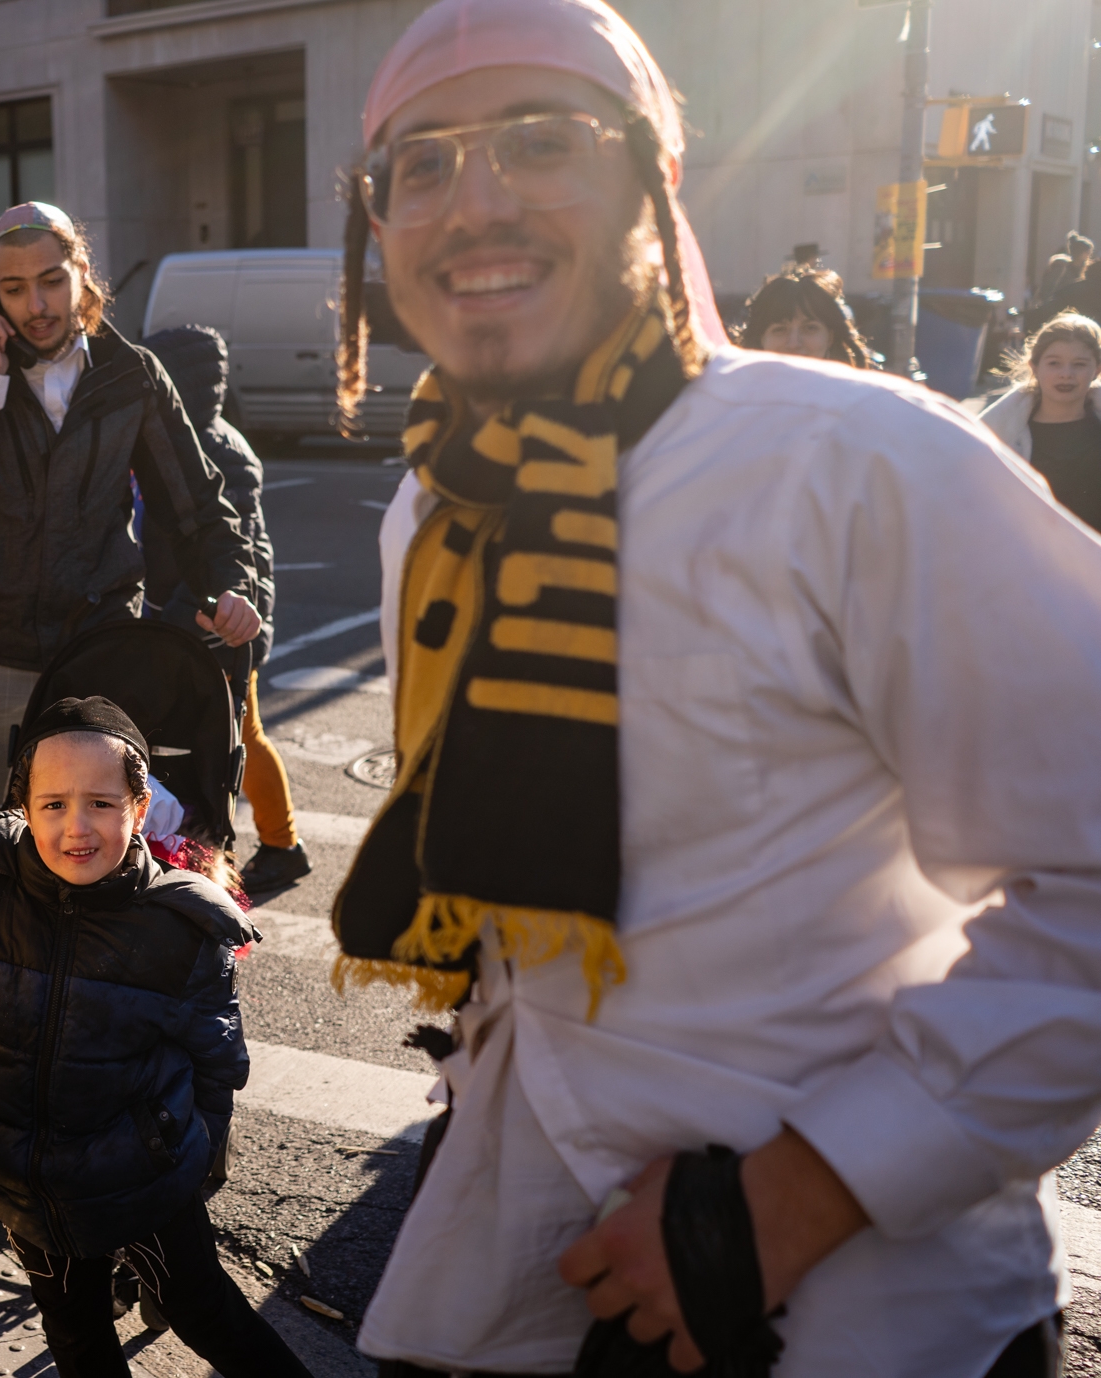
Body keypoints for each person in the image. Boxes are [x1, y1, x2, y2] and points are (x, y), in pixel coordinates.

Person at [327, 0, 1101, 1373]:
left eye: (539, 139)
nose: (473, 201)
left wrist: (797, 1195)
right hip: (526, 1279)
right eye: (421, 163)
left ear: (654, 179)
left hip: (865, 1315)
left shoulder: (860, 463)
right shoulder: (433, 504)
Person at [0, 696, 309, 1378]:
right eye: (53, 805)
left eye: (102, 804)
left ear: (139, 809)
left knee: (202, 1309)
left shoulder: (181, 930)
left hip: (140, 1180)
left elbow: (217, 1062)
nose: (77, 827)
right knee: (73, 1331)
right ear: (23, 807)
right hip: (19, 1177)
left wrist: (187, 1156)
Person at [0, 201, 262, 817]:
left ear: (81, 273)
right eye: (15, 288)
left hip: (100, 644)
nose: (37, 306)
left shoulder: (132, 374)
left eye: (52, 282)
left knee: (97, 838)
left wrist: (228, 584)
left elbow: (193, 499)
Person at [138, 325, 309, 896]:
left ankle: (268, 848)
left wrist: (174, 620)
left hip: (217, 628)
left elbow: (225, 554)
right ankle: (276, 845)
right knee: (241, 736)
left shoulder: (206, 447)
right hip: (217, 624)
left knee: (234, 741)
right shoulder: (213, 436)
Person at [977, 311, 1101, 530]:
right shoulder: (1001, 434)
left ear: (1097, 370)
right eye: (1054, 363)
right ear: (1034, 367)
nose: (1066, 374)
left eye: (1079, 364)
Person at [735, 265, 872, 368]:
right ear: (761, 339)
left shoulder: (857, 402)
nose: (794, 344)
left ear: (830, 337)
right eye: (780, 329)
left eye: (810, 328)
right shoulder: (731, 400)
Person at [1030, 232, 1092, 326]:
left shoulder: (1085, 272)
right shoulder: (1060, 268)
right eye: (1088, 253)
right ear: (1081, 253)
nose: (1089, 256)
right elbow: (1047, 291)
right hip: (1055, 314)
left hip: (1071, 315)